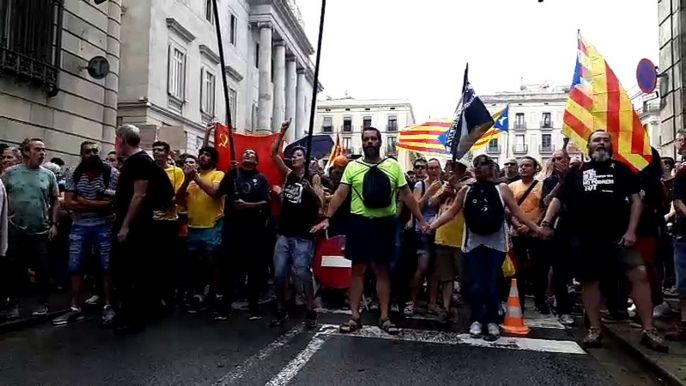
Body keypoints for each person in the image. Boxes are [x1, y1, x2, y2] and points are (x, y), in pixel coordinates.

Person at [541, 130, 667, 351]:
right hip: (585, 236)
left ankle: (649, 329)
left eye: (605, 140)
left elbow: (636, 201)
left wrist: (631, 231)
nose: (601, 143)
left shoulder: (623, 170)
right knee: (590, 281)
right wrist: (546, 223)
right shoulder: (577, 171)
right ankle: (595, 329)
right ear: (589, 146)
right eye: (596, 140)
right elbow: (557, 199)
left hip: (619, 236)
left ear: (611, 145)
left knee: (640, 275)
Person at [313, 127, 427, 335]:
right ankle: (355, 316)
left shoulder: (393, 166)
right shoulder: (352, 167)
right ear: (363, 142)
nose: (370, 142)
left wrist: (420, 219)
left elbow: (408, 195)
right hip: (359, 223)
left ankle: (384, 317)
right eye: (366, 139)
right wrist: (328, 218)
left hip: (384, 223)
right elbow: (340, 194)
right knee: (357, 270)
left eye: (374, 138)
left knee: (382, 270)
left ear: (380, 142)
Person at [427, 155, 541, 340]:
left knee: (492, 283)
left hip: (496, 245)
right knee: (477, 284)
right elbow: (450, 212)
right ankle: (476, 319)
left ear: (491, 168)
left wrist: (536, 228)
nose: (479, 168)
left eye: (483, 165)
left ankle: (492, 320)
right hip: (473, 244)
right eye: (476, 165)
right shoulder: (466, 190)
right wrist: (430, 226)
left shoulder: (502, 189)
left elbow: (516, 211)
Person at [112, 125, 173, 333]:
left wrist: (125, 226)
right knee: (124, 273)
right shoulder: (136, 161)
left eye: (116, 139)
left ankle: (136, 320)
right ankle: (125, 313)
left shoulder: (140, 162)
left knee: (134, 273)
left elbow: (139, 195)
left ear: (122, 140)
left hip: (137, 227)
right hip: (132, 224)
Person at [52, 141, 119, 326]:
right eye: (88, 152)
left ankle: (108, 304)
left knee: (107, 266)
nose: (92, 154)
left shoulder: (110, 173)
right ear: (82, 154)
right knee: (75, 266)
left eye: (95, 151)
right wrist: (99, 204)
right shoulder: (74, 172)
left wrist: (83, 202)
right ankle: (74, 307)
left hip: (104, 225)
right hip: (80, 225)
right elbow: (69, 203)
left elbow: (114, 202)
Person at [270, 122, 321, 329]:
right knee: (279, 273)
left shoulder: (313, 177)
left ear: (306, 159)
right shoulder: (289, 174)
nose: (295, 157)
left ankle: (310, 309)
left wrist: (309, 189)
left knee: (302, 272)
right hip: (284, 232)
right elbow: (274, 154)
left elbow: (320, 203)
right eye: (294, 155)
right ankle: (281, 309)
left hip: (302, 234)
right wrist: (282, 132)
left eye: (299, 155)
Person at [2, 138, 60, 317]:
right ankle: (13, 305)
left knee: (43, 269)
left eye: (43, 150)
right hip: (15, 229)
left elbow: (55, 200)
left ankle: (42, 303)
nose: (42, 153)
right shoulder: (9, 173)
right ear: (26, 152)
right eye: (37, 149)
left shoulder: (48, 175)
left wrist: (54, 224)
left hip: (40, 230)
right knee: (15, 270)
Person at [217, 149, 271, 320]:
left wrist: (247, 205)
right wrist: (228, 172)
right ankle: (225, 306)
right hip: (232, 229)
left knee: (253, 270)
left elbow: (266, 202)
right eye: (245, 153)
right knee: (228, 269)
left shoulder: (261, 179)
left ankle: (253, 307)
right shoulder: (233, 174)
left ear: (256, 160)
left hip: (252, 230)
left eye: (251, 153)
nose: (247, 154)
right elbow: (220, 190)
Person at [176, 147, 225, 314]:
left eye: (207, 155)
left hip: (212, 226)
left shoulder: (218, 175)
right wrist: (186, 180)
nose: (203, 157)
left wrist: (195, 177)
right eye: (201, 154)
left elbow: (215, 192)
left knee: (213, 262)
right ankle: (199, 294)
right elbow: (179, 199)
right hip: (194, 226)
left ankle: (217, 293)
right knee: (196, 263)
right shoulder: (190, 178)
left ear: (214, 160)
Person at [508, 156, 549, 313]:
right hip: (517, 234)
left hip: (536, 235)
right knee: (518, 270)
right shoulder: (512, 186)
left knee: (540, 269)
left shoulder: (542, 186)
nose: (523, 168)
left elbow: (545, 208)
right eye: (521, 165)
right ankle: (519, 301)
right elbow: (509, 209)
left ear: (535, 168)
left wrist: (533, 227)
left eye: (527, 165)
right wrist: (518, 226)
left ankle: (540, 300)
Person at [540, 150, 574, 326]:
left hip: (579, 227)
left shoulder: (579, 176)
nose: (557, 162)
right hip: (559, 228)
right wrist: (561, 182)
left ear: (568, 160)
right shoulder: (549, 181)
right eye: (554, 160)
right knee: (559, 269)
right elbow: (546, 202)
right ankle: (563, 308)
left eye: (560, 158)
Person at [405, 158, 442, 316]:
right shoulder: (420, 185)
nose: (433, 171)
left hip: (439, 231)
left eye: (436, 168)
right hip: (423, 231)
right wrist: (429, 193)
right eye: (430, 168)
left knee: (435, 270)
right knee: (423, 267)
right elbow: (416, 207)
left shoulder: (444, 185)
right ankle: (412, 300)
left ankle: (432, 303)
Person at [151, 141, 185, 309]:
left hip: (169, 221)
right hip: (151, 221)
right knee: (152, 260)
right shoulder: (148, 170)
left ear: (168, 153)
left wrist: (164, 202)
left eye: (160, 150)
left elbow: (179, 194)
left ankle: (168, 294)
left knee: (168, 260)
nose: (156, 153)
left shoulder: (176, 172)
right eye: (154, 150)